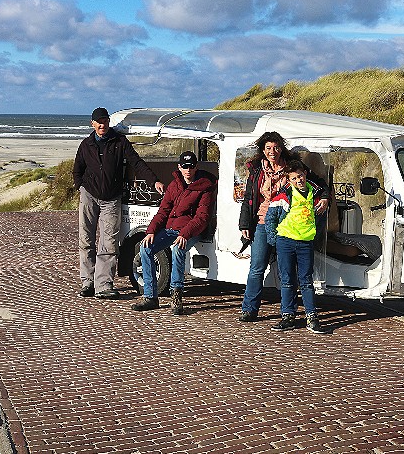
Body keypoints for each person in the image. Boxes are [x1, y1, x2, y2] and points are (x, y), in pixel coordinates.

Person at [74, 107, 164, 300]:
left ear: (108, 122)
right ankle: (87, 281)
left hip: (112, 198)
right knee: (86, 238)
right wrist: (80, 187)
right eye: (98, 122)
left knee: (109, 241)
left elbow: (136, 163)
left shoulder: (119, 142)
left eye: (104, 121)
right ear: (92, 124)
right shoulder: (86, 144)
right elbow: (77, 169)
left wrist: (153, 180)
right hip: (89, 194)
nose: (102, 125)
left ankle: (104, 284)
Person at [237, 132, 328, 322]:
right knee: (257, 266)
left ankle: (289, 313)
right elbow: (248, 199)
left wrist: (325, 198)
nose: (273, 152)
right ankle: (249, 308)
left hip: (289, 224)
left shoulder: (292, 167)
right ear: (263, 150)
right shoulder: (256, 170)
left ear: (282, 148)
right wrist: (245, 224)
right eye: (269, 148)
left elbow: (318, 184)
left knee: (289, 272)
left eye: (276, 147)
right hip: (262, 221)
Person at [132, 151, 217, 315]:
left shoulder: (204, 187)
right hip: (170, 229)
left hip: (191, 230)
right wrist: (151, 231)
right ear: (179, 167)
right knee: (145, 247)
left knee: (178, 249)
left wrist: (185, 233)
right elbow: (163, 211)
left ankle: (176, 295)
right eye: (184, 166)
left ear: (196, 167)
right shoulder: (174, 185)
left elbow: (202, 217)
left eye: (191, 166)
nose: (188, 170)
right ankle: (150, 297)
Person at [264, 160, 329, 334]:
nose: (298, 180)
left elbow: (325, 191)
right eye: (293, 178)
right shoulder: (285, 195)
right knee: (287, 280)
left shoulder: (315, 192)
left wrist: (325, 198)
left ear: (305, 174)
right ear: (289, 180)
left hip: (305, 242)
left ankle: (311, 317)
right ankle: (288, 316)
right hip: (285, 241)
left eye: (300, 176)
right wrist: (274, 239)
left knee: (306, 281)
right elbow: (270, 217)